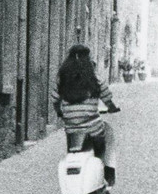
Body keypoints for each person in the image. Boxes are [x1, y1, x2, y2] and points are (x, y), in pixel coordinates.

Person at [51, 44, 120, 185]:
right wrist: (112, 107)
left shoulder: (62, 79)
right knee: (108, 135)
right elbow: (107, 97)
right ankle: (108, 171)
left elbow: (54, 99)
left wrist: (60, 112)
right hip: (92, 127)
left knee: (72, 149)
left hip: (71, 127)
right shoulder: (94, 78)